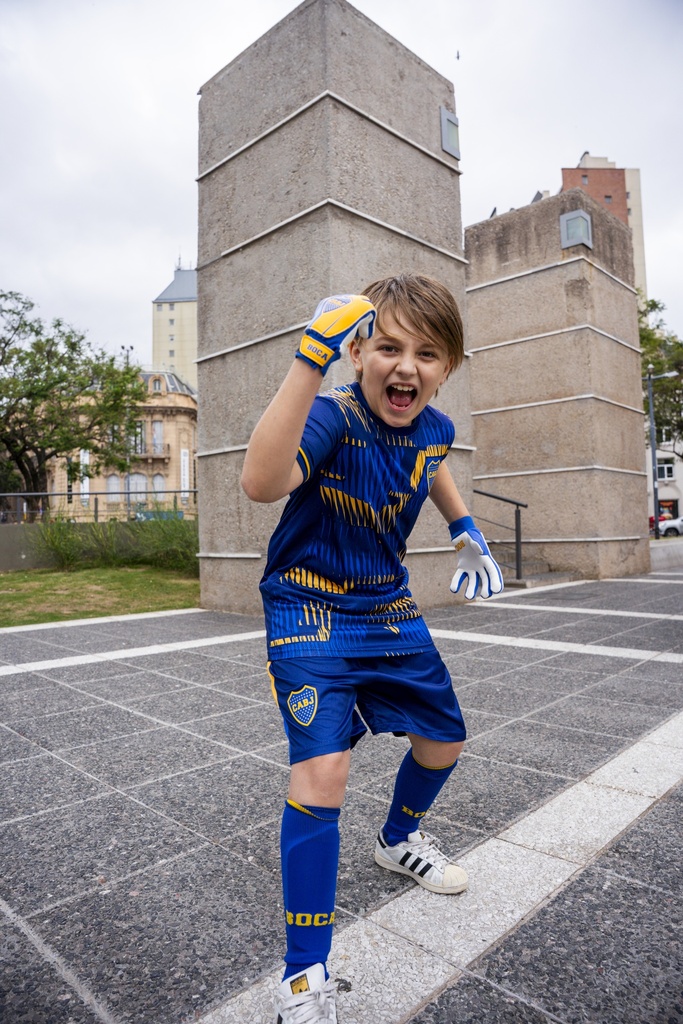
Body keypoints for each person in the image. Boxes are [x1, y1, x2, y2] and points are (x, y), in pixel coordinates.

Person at [241, 274, 503, 1024]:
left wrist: (464, 525)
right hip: (309, 608)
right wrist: (305, 360)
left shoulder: (434, 426)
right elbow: (262, 482)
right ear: (356, 352)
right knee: (322, 769)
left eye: (427, 352)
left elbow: (433, 460)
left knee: (445, 739)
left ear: (447, 366)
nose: (406, 366)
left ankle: (397, 839)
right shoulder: (330, 415)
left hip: (386, 606)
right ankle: (304, 976)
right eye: (387, 347)